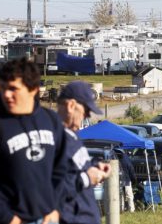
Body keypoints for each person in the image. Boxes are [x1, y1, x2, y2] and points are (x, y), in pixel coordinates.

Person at [0, 57, 68, 224]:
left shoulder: (51, 120)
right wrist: (5, 217)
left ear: (33, 89)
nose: (6, 95)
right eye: (3, 88)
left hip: (47, 218)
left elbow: (61, 168)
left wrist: (54, 207)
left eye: (13, 89)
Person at [57, 81, 111, 224]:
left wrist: (95, 166)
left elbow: (76, 168)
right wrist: (86, 178)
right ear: (71, 106)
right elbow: (48, 186)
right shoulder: (53, 139)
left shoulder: (71, 135)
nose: (87, 116)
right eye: (85, 111)